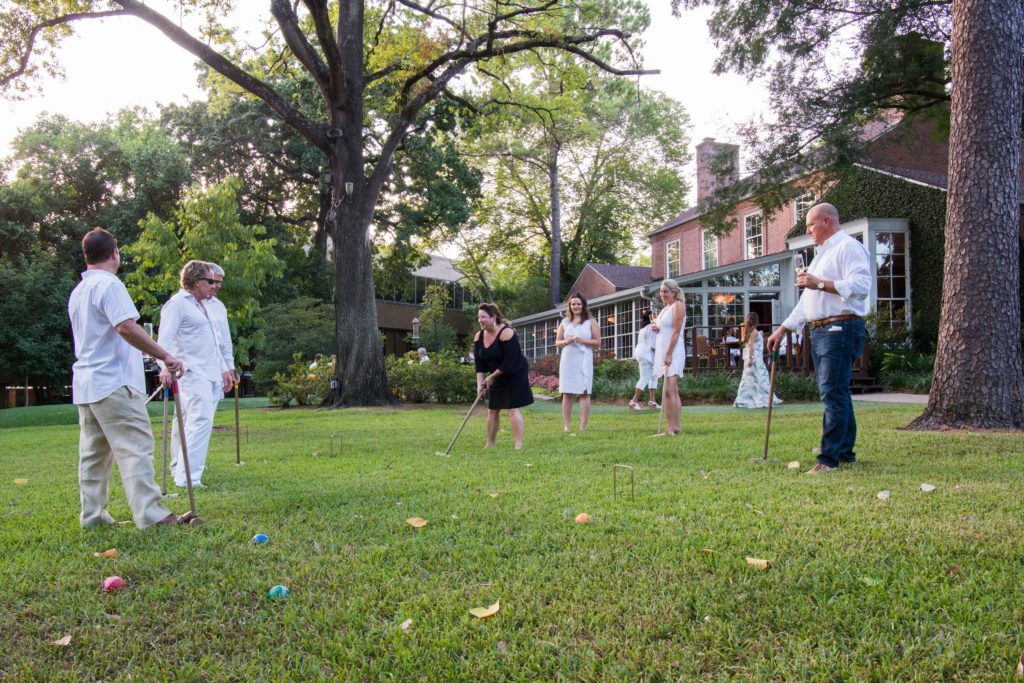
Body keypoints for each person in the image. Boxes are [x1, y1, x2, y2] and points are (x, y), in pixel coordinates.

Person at [67, 227, 193, 528]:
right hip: (114, 381)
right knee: (135, 448)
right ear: (115, 254)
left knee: (93, 455)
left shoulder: (79, 291)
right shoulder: (109, 285)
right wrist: (164, 355)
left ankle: (93, 516)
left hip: (87, 383)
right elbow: (125, 327)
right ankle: (152, 516)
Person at [767, 203, 870, 474]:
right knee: (838, 392)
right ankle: (845, 453)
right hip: (821, 330)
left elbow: (861, 287)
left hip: (841, 328)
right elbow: (808, 301)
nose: (808, 230)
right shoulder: (821, 255)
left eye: (811, 225)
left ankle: (829, 460)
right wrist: (782, 330)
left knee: (832, 393)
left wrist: (821, 283)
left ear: (826, 221)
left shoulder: (848, 247)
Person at [158, 260, 236, 489]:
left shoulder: (208, 306)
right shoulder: (177, 305)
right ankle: (187, 478)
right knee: (199, 422)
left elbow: (219, 342)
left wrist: (226, 368)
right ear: (195, 281)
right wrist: (165, 367)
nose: (215, 286)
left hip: (210, 371)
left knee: (197, 423)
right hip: (191, 372)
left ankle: (183, 472)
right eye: (210, 281)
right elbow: (164, 339)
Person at [473, 302, 534, 448]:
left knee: (512, 407)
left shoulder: (507, 333)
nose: (480, 320)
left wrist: (491, 377)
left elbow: (510, 363)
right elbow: (479, 365)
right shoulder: (478, 336)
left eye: (484, 317)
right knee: (492, 409)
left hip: (515, 372)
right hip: (496, 374)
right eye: (479, 317)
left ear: (493, 317)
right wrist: (480, 385)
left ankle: (518, 444)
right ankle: (490, 444)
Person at [555, 292, 601, 432]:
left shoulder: (591, 321)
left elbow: (598, 342)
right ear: (570, 306)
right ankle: (567, 426)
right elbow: (557, 342)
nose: (576, 306)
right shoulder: (565, 322)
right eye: (573, 304)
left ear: (583, 305)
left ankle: (583, 426)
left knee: (584, 392)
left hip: (584, 359)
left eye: (578, 304)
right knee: (567, 392)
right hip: (568, 359)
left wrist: (582, 340)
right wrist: (566, 341)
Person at [652, 280, 686, 435]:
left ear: (674, 292)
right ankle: (676, 425)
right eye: (661, 291)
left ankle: (670, 427)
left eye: (665, 291)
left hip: (673, 351)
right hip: (662, 350)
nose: (662, 294)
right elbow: (664, 329)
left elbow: (676, 332)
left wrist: (668, 354)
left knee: (669, 390)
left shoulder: (678, 306)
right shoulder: (665, 309)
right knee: (672, 390)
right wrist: (656, 328)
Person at [733, 311, 782, 409]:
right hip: (755, 360)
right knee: (761, 379)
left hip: (753, 359)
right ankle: (761, 399)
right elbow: (751, 346)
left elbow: (745, 342)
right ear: (756, 321)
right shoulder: (754, 332)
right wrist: (751, 359)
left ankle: (746, 399)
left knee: (751, 380)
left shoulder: (751, 332)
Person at [629, 307, 659, 410]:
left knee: (654, 376)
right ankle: (633, 402)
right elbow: (653, 346)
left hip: (642, 353)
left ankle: (652, 402)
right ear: (652, 317)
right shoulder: (651, 327)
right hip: (646, 353)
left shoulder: (643, 328)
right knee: (645, 377)